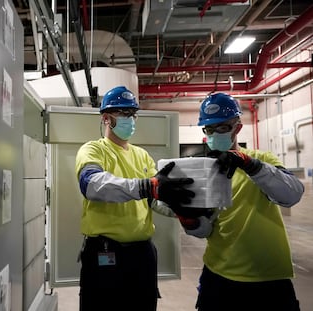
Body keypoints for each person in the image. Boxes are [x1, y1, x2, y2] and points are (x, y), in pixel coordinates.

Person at [173, 92, 305, 311]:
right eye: (209, 129)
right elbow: (205, 231)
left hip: (268, 278)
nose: (215, 134)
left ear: (237, 128)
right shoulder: (204, 171)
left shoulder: (262, 161)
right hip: (218, 274)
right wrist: (187, 217)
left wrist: (250, 165)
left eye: (222, 127)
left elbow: (292, 194)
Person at [74, 86, 195, 311]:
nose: (130, 119)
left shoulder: (142, 156)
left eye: (132, 114)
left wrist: (182, 209)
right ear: (106, 118)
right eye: (123, 113)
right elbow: (92, 185)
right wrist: (147, 186)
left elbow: (154, 200)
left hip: (141, 254)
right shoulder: (93, 150)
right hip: (105, 253)